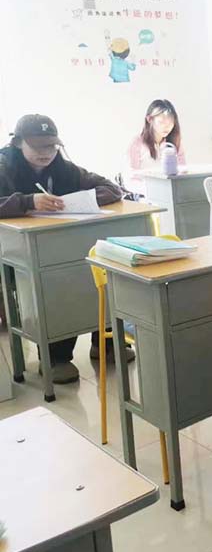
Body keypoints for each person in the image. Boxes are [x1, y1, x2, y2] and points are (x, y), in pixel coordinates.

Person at [0, 114, 126, 384]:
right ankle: (56, 357)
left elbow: (111, 188)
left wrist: (72, 200)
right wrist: (27, 202)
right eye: (38, 146)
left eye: (52, 146)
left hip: (60, 243)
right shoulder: (4, 167)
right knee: (57, 280)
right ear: (18, 143)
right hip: (15, 251)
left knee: (99, 268)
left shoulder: (65, 168)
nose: (47, 153)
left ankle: (104, 343)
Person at [124, 99, 185, 193]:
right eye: (162, 122)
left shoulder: (174, 144)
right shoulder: (136, 143)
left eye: (171, 123)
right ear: (149, 119)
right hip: (144, 193)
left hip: (170, 192)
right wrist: (153, 191)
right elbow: (131, 179)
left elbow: (182, 172)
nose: (167, 127)